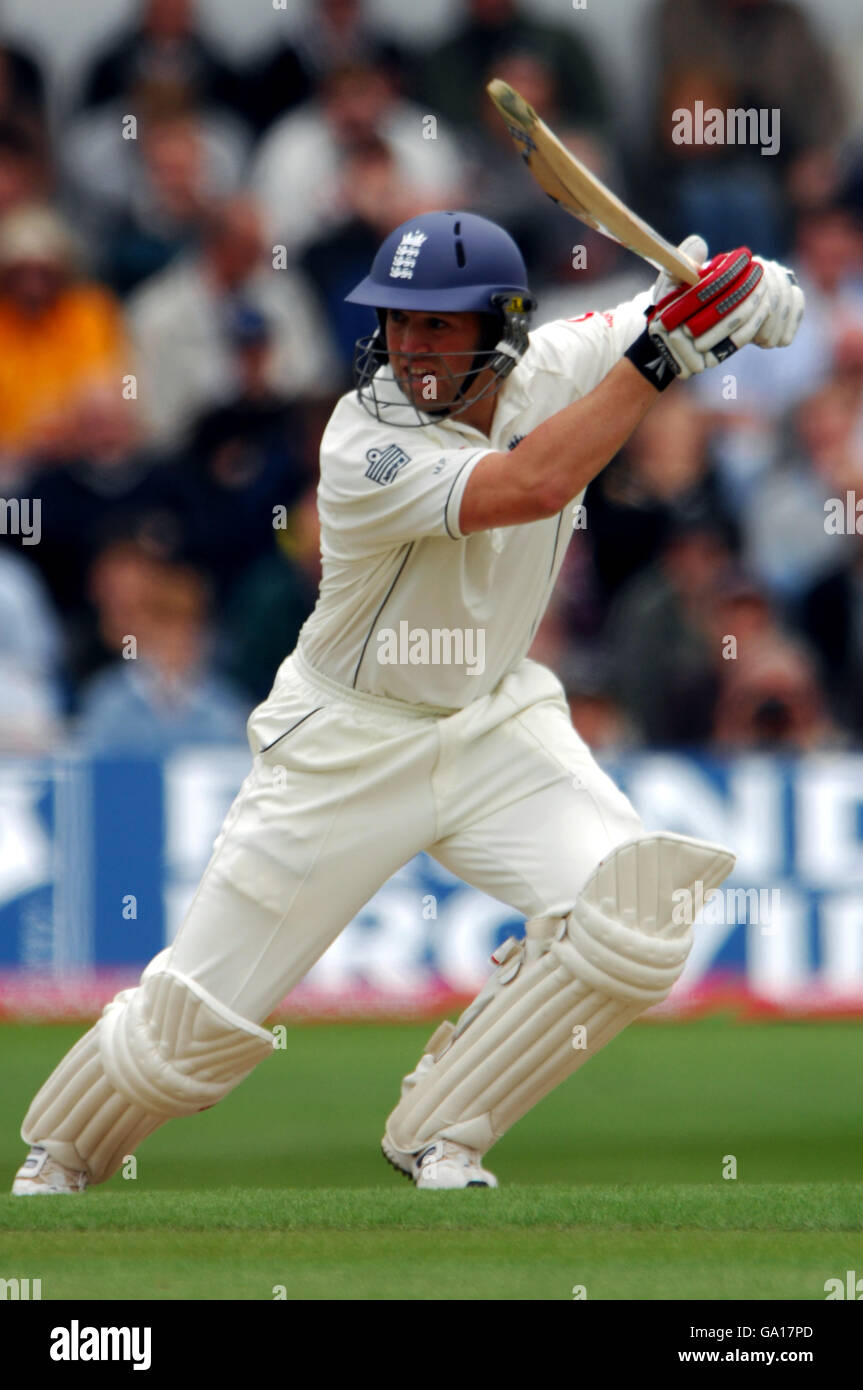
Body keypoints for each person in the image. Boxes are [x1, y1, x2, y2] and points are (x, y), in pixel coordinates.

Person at [12, 210, 803, 1195]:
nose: (413, 349)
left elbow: (669, 307)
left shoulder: (563, 359)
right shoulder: (363, 442)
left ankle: (441, 1130)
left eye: (440, 325)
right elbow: (533, 480)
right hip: (347, 738)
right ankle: (63, 1154)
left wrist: (756, 289)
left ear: (502, 325)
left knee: (633, 917)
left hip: (493, 722)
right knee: (193, 1026)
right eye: (398, 323)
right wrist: (670, 349)